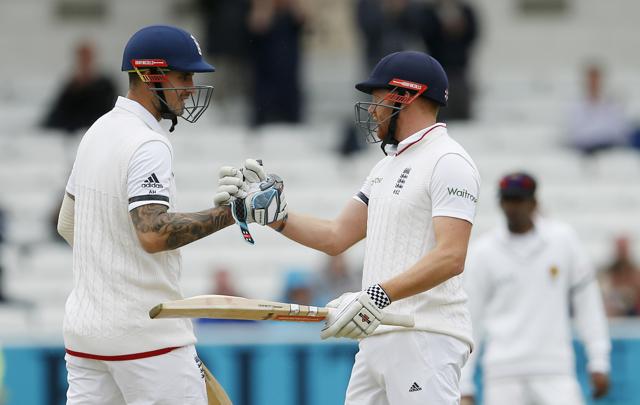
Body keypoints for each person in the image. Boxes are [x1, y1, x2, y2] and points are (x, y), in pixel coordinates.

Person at [226, 50, 481, 404]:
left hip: (425, 335)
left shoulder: (448, 161)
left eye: (377, 100)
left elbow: (451, 255)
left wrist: (378, 295)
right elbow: (336, 236)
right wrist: (275, 217)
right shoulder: (384, 167)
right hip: (377, 335)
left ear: (405, 96)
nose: (372, 110)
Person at [55, 25, 280, 404]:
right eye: (183, 76)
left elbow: (67, 224)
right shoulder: (148, 142)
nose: (191, 86)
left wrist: (113, 286)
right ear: (150, 76)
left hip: (86, 338)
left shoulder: (97, 130)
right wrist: (234, 213)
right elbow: (154, 234)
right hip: (148, 338)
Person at [460, 172, 611, 405]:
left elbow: (587, 303)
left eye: (519, 200)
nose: (513, 207)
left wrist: (599, 360)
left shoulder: (563, 240)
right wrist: (465, 383)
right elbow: (471, 318)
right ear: (500, 203)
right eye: (508, 200)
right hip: (502, 372)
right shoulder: (483, 252)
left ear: (534, 203)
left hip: (555, 369)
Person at [41, 41, 117, 134]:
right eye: (81, 58)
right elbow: (55, 117)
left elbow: (105, 115)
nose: (84, 61)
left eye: (87, 58)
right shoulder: (71, 86)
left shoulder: (105, 86)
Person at [567, 63, 630, 155]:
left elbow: (618, 131)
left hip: (608, 148)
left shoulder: (613, 105)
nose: (594, 84)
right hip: (584, 149)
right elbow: (575, 133)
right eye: (591, 80)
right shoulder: (575, 106)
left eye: (596, 80)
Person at [599, 235, 640, 317]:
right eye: (619, 248)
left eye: (623, 248)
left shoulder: (636, 274)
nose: (621, 252)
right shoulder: (607, 273)